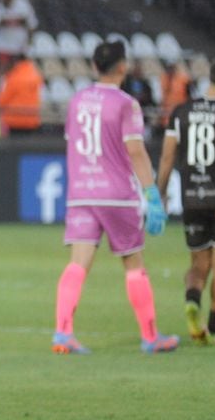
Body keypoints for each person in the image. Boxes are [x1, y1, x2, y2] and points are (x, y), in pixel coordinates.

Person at [51, 39, 178, 355]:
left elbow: (73, 143)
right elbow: (135, 150)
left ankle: (63, 333)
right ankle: (150, 337)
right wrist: (152, 195)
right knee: (133, 263)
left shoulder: (77, 101)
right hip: (117, 195)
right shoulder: (125, 103)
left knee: (78, 264)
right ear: (122, 66)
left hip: (82, 193)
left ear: (95, 67)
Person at [156, 57, 215, 346]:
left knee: (198, 264)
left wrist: (160, 192)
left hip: (192, 198)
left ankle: (192, 300)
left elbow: (168, 156)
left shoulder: (181, 111)